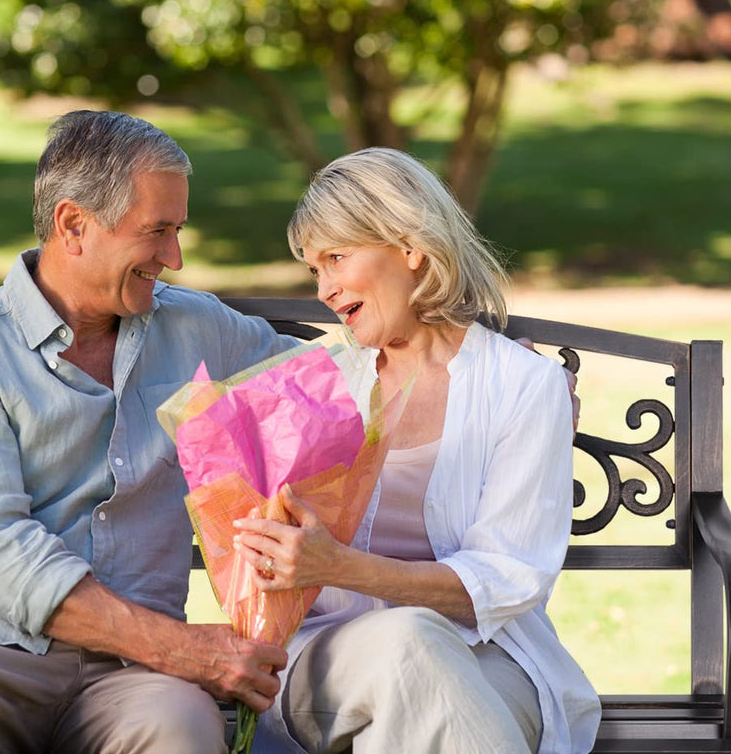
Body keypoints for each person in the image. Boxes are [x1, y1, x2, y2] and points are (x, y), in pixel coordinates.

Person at [0, 110, 298, 754]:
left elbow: (331, 388)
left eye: (178, 230)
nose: (175, 257)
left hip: (139, 678)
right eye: (157, 232)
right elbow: (7, 561)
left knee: (181, 733)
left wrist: (422, 321)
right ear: (75, 225)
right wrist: (186, 649)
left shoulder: (200, 330)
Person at [232, 148, 601, 754]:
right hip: (327, 658)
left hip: (488, 659)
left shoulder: (521, 384)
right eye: (313, 270)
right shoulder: (312, 384)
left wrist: (338, 566)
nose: (324, 290)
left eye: (336, 258)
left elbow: (508, 579)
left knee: (415, 683)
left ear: (409, 246)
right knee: (409, 645)